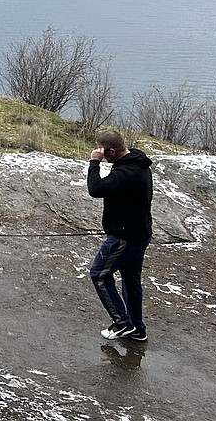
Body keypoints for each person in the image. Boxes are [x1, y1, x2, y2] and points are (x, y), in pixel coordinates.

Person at [87, 129, 154, 342]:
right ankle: (137, 328)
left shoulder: (127, 172)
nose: (100, 154)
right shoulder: (135, 162)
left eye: (103, 151)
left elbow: (96, 189)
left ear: (113, 151)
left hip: (124, 237)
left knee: (99, 274)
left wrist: (94, 163)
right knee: (131, 280)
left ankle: (122, 323)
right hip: (137, 233)